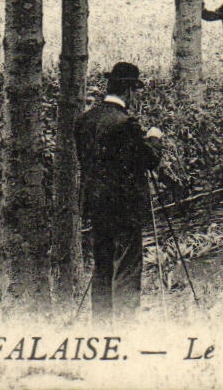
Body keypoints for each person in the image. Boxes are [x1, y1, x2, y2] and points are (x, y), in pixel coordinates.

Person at [75, 61, 171, 314]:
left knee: (102, 265)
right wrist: (154, 139)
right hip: (124, 208)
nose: (136, 97)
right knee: (127, 266)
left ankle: (102, 325)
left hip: (95, 205)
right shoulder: (125, 123)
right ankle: (126, 324)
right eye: (136, 91)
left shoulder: (85, 120)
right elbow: (147, 160)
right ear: (128, 91)